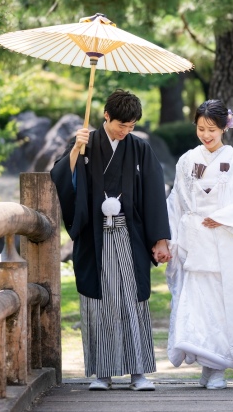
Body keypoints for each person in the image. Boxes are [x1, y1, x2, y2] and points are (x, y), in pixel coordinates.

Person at [50, 89, 172, 392]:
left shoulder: (140, 149)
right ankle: (101, 373)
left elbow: (155, 193)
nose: (126, 131)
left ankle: (138, 372)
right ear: (106, 116)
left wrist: (159, 239)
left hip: (131, 236)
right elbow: (61, 177)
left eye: (131, 126)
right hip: (96, 236)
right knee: (99, 302)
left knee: (132, 300)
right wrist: (76, 152)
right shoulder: (84, 143)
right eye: (121, 125)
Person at [164, 100, 233, 389]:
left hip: (225, 244)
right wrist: (169, 239)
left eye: (211, 129)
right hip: (194, 242)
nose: (206, 135)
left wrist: (222, 217)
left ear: (224, 127)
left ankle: (217, 368)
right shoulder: (186, 160)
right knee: (197, 305)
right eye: (200, 128)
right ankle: (209, 366)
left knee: (221, 306)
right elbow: (176, 202)